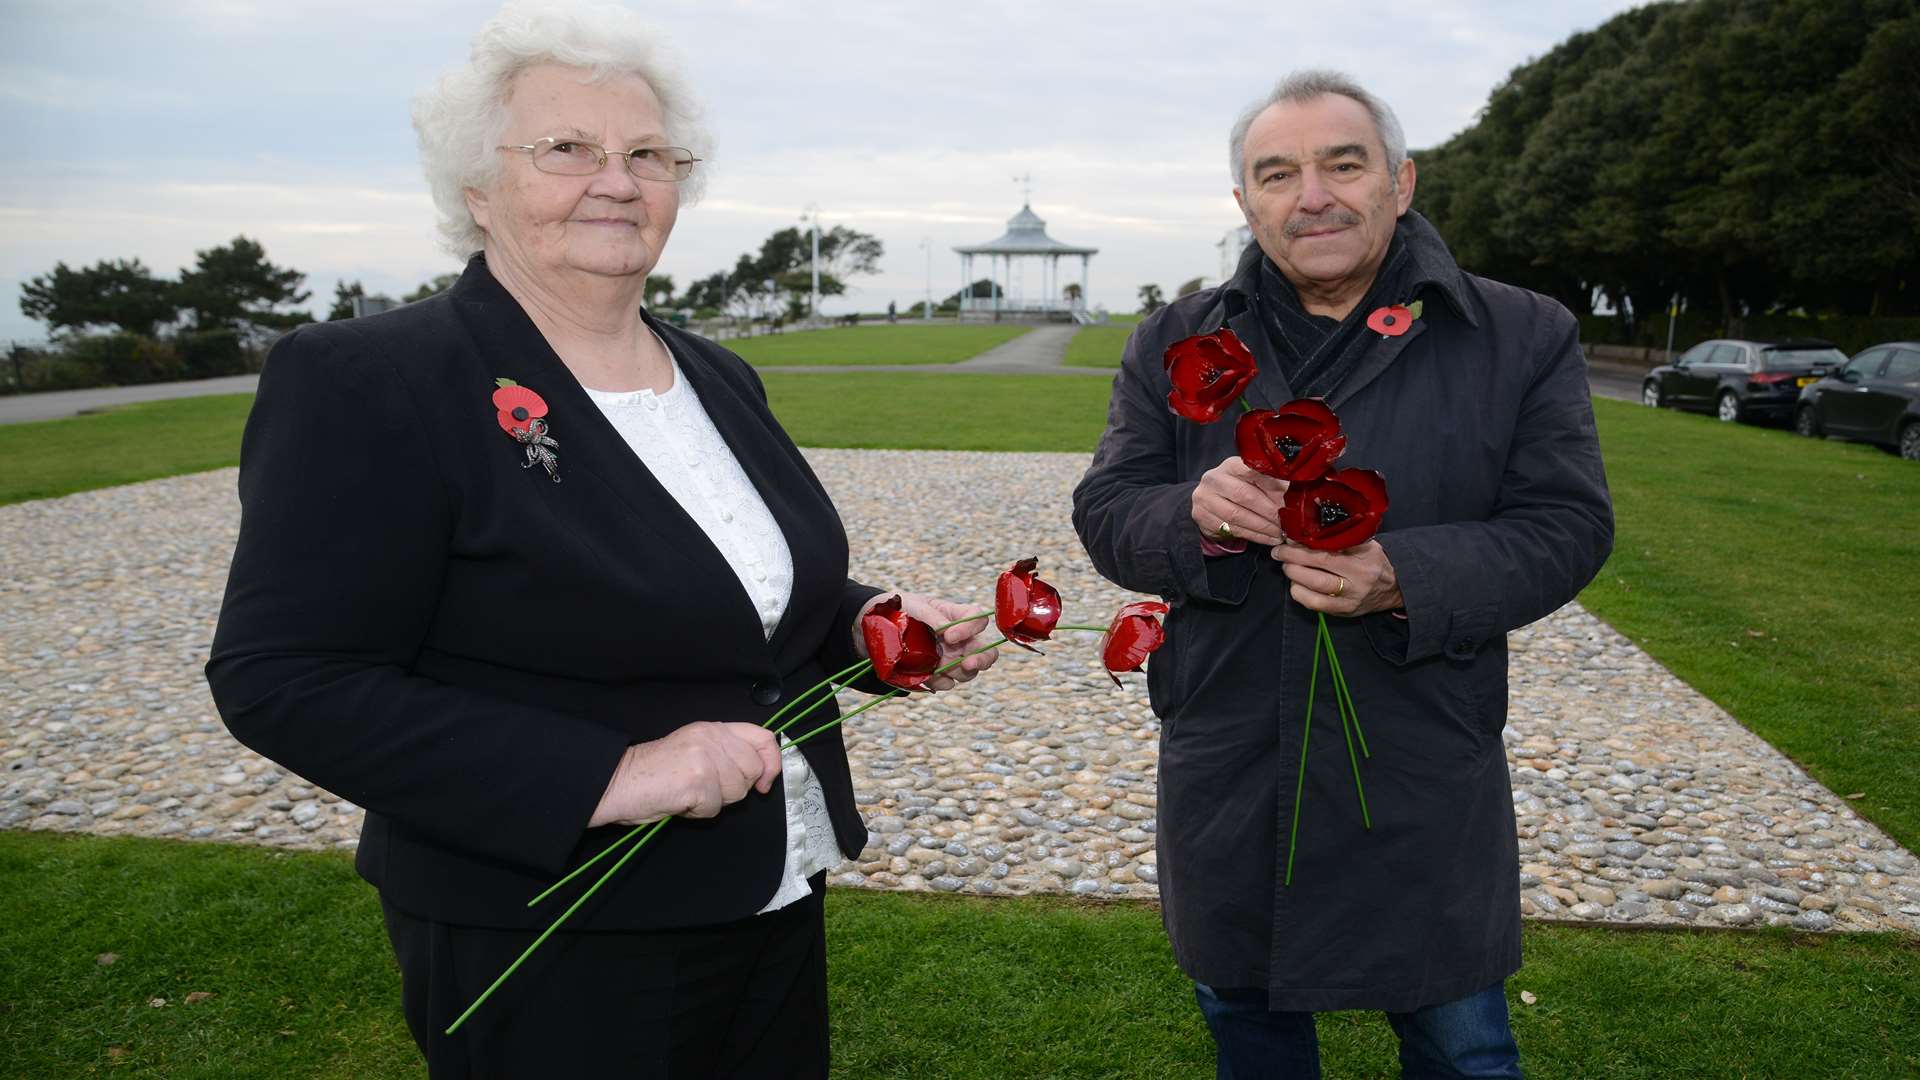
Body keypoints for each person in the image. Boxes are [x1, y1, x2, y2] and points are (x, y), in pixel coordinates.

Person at [204, 3, 994, 1075]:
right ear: (477, 188)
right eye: (566, 148)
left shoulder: (714, 374)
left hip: (770, 890)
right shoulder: (371, 379)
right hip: (547, 927)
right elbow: (283, 677)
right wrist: (609, 775)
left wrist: (869, 628)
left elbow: (741, 596)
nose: (616, 180)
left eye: (648, 154)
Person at [1072, 70, 1612, 1078]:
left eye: (1342, 164)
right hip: (1233, 763)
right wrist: (1189, 516)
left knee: (1462, 1046)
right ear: (1245, 204)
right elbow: (1106, 510)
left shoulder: (1519, 333)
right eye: (1277, 173)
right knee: (1251, 1030)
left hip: (1417, 759)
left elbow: (1569, 524)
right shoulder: (1176, 339)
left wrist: (1403, 574)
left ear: (1400, 183)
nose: (1310, 194)